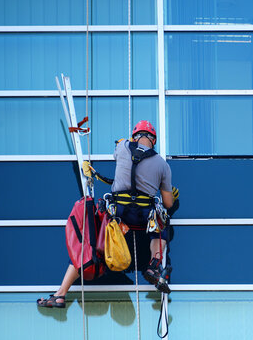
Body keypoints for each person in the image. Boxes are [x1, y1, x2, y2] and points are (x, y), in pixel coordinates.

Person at [37, 120, 177, 308]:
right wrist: (171, 197)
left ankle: (60, 295)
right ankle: (154, 264)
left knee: (90, 243)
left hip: (117, 214)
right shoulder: (162, 164)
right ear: (154, 140)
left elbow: (123, 160)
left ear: (134, 136)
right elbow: (167, 203)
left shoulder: (122, 147)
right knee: (161, 227)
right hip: (145, 216)